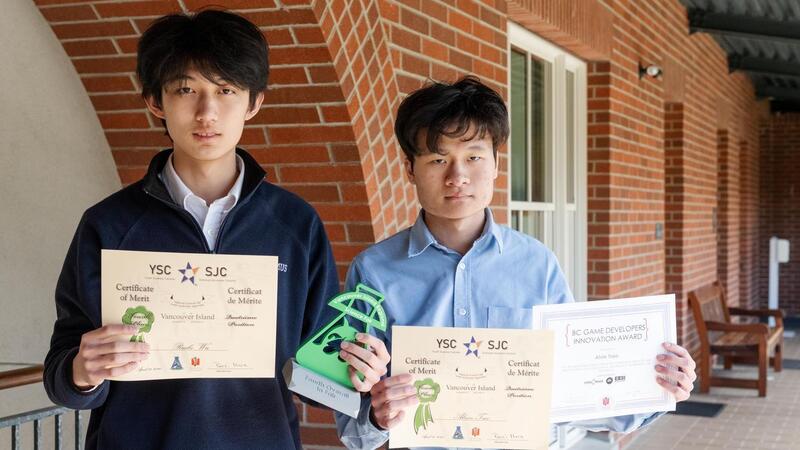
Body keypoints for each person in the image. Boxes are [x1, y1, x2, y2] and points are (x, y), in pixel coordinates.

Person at [43, 10, 387, 449]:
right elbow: (61, 373)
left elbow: (315, 376)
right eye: (186, 89)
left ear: (253, 102)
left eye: (226, 90)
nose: (207, 113)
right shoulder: (108, 224)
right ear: (155, 101)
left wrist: (357, 375)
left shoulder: (295, 224)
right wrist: (81, 370)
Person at [335, 76, 697, 449]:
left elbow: (578, 390)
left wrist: (657, 387)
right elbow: (352, 430)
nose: (457, 177)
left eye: (473, 157)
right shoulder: (374, 271)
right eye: (439, 159)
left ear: (496, 164)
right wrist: (377, 416)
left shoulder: (538, 264)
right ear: (410, 169)